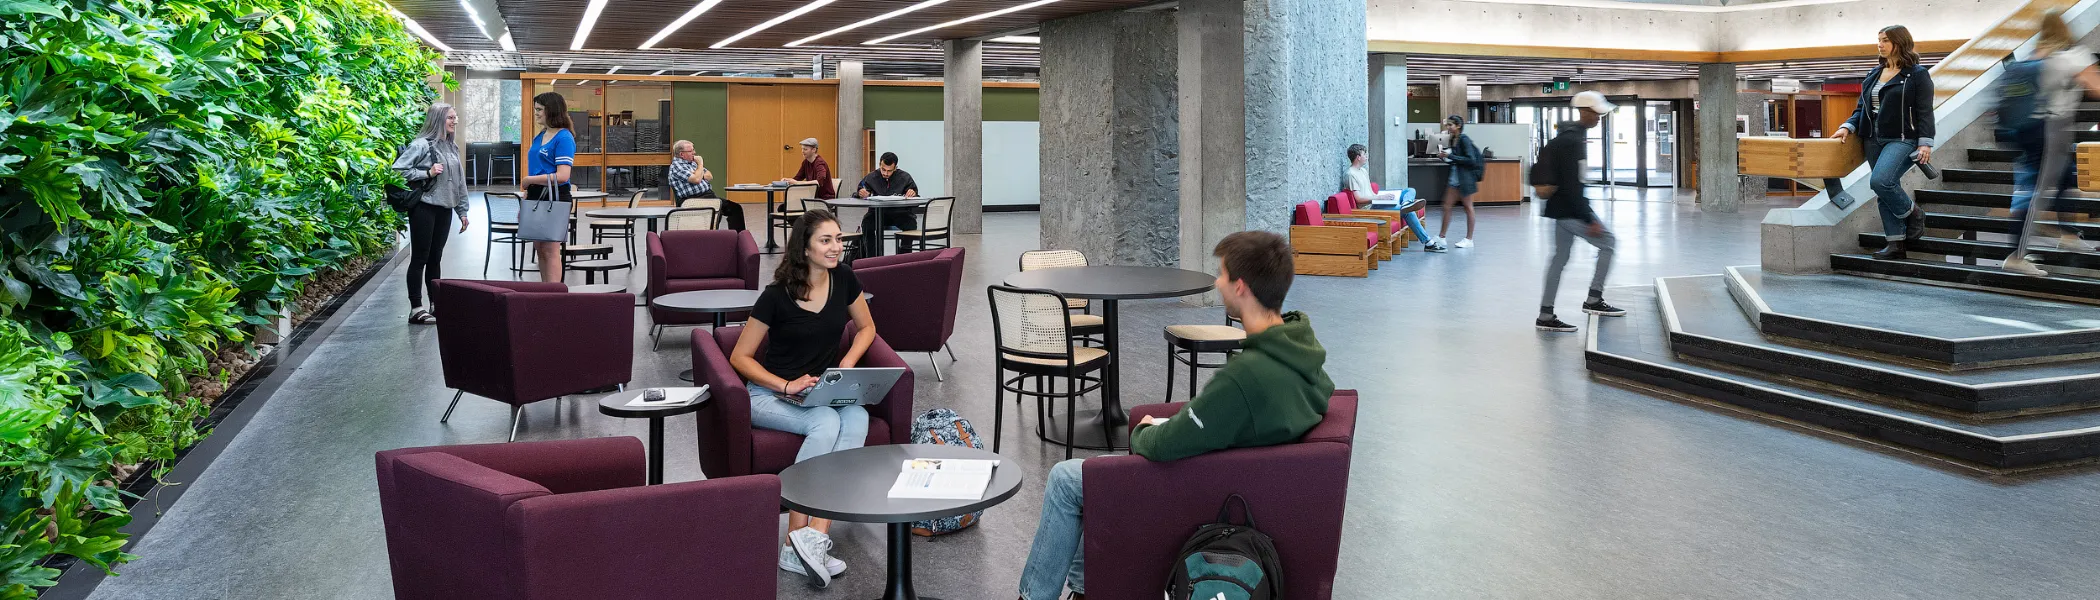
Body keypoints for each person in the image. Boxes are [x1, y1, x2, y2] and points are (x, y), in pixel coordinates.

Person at [1014, 230, 1334, 600]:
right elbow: (1214, 422)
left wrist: (1142, 433)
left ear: (1241, 287)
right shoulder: (1300, 349)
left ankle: (1035, 596)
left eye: (1223, 275)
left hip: (1200, 490)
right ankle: (1087, 590)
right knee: (1091, 478)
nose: (1218, 282)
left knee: (1067, 479)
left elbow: (1164, 446)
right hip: (1241, 474)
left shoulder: (1246, 378)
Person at [728, 209, 878, 588]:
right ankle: (794, 539)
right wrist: (784, 385)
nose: (836, 247)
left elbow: (866, 327)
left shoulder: (843, 278)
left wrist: (845, 363)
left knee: (857, 417)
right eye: (826, 240)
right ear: (805, 249)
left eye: (839, 239)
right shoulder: (775, 297)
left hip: (821, 391)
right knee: (826, 423)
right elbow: (739, 357)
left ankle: (812, 539)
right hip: (769, 394)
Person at [2000, 9, 2100, 276]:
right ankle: (2016, 255)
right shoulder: (2071, 56)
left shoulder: (2036, 54)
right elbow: (2096, 88)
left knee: (2066, 178)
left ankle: (2067, 236)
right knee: (2035, 193)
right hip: (2048, 129)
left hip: (2029, 128)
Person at [1831, 24, 1935, 260]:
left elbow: (1925, 111)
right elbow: (1862, 108)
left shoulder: (1917, 74)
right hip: (1872, 138)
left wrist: (1925, 142)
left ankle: (1913, 213)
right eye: (1878, 40)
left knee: (1881, 181)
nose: (1880, 44)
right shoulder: (1873, 74)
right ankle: (1895, 244)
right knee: (1884, 190)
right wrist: (1847, 126)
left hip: (1902, 139)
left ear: (1900, 42)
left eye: (1885, 40)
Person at [1534, 91, 1624, 333]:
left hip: (1558, 209)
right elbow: (1574, 185)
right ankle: (1594, 298)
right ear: (1585, 112)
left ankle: (1545, 313)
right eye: (1596, 114)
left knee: (1559, 259)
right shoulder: (1574, 142)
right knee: (1609, 243)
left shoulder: (1566, 137)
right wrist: (1589, 219)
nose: (1598, 118)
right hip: (1570, 211)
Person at [392, 103, 470, 325]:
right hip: (424, 207)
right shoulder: (421, 145)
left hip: (445, 208)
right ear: (437, 120)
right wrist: (426, 172)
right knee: (420, 257)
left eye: (455, 117)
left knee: (436, 258)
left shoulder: (451, 147)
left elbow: (459, 183)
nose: (455, 121)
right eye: (450, 118)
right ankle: (416, 308)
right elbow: (397, 171)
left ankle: (435, 304)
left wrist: (462, 211)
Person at [1346, 144, 1447, 252]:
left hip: (1376, 200)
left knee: (1410, 190)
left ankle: (1406, 202)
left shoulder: (1363, 171)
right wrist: (1379, 198)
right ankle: (1428, 242)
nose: (1367, 156)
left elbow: (1369, 192)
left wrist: (1382, 196)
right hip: (1369, 208)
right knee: (1407, 212)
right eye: (1364, 154)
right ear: (1358, 157)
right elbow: (1358, 199)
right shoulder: (1351, 174)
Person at [524, 92, 575, 283]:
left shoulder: (564, 137)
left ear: (551, 111)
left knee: (551, 248)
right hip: (536, 196)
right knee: (539, 247)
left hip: (555, 197)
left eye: (539, 110)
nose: (536, 113)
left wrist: (530, 179)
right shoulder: (540, 136)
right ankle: (545, 290)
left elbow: (563, 176)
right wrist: (526, 198)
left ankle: (554, 296)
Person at [670, 140, 743, 231]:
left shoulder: (691, 163)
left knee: (735, 208)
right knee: (716, 213)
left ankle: (738, 238)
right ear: (682, 154)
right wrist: (700, 165)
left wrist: (699, 174)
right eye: (691, 151)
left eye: (693, 150)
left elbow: (709, 175)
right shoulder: (677, 166)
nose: (694, 153)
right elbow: (696, 180)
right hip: (694, 200)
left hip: (708, 197)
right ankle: (711, 238)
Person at [854, 152, 919, 252]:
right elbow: (860, 190)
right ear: (880, 165)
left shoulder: (905, 178)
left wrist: (912, 193)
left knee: (910, 224)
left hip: (900, 214)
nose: (885, 173)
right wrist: (861, 193)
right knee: (867, 223)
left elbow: (915, 193)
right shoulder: (872, 177)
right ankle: (872, 259)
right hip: (876, 214)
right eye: (883, 169)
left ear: (895, 168)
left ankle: (904, 258)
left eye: (889, 171)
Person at [1438, 115, 1484, 248]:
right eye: (1448, 125)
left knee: (1468, 208)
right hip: (1455, 178)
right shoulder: (1454, 140)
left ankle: (1469, 239)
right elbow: (1457, 159)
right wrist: (1445, 157)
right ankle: (1442, 237)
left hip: (1464, 179)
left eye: (1450, 125)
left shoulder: (1464, 139)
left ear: (1458, 126)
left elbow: (1470, 160)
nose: (1448, 128)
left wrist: (1450, 156)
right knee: (1446, 206)